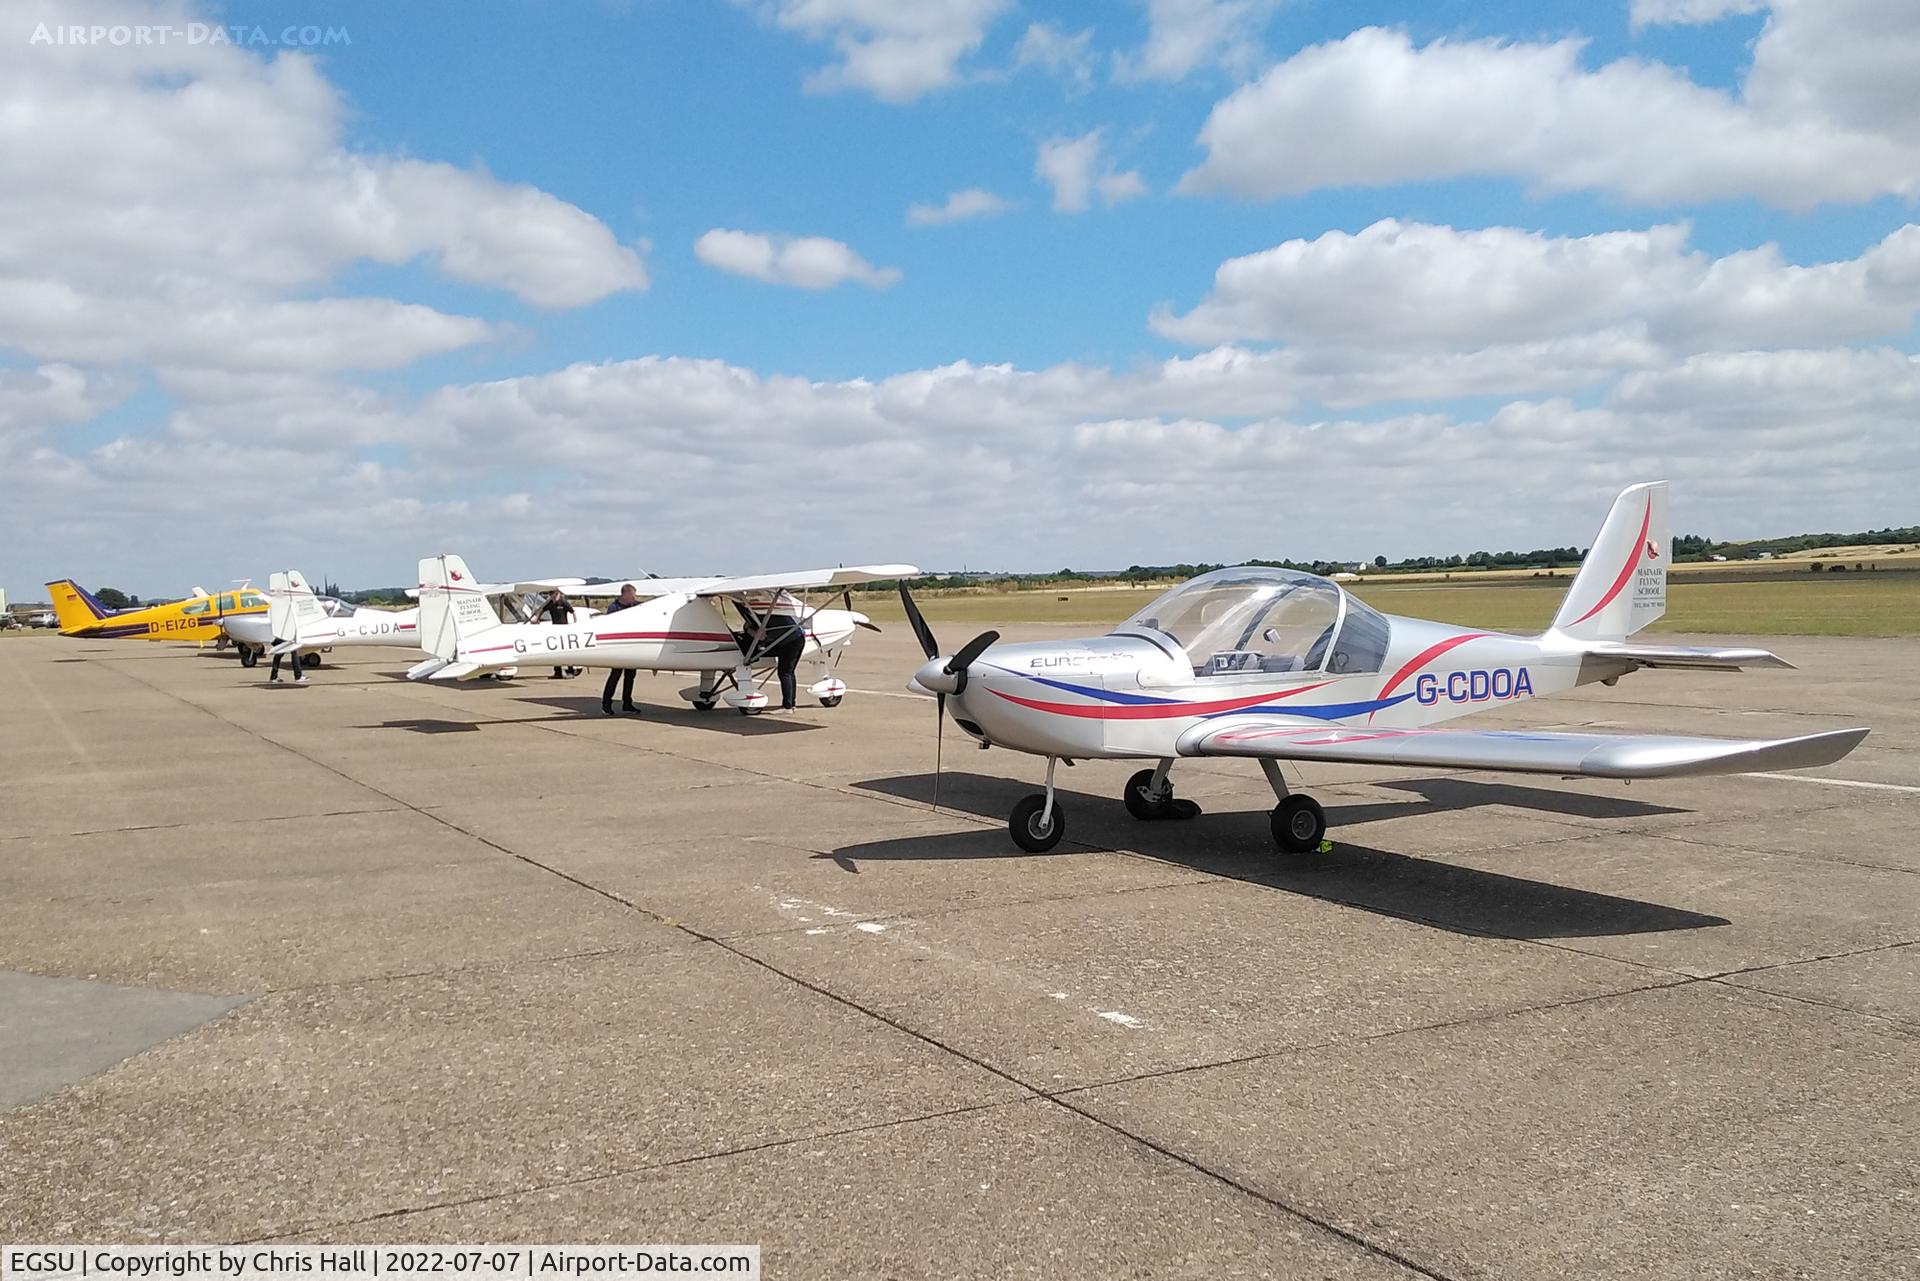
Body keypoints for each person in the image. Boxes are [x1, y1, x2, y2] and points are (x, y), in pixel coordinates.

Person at [600, 583, 640, 715]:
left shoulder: (636, 606)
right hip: (618, 647)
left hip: (632, 647)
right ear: (626, 594)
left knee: (630, 676)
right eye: (633, 595)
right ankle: (606, 704)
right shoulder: (614, 607)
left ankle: (627, 703)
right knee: (615, 675)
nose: (635, 598)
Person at [542, 589, 574, 679]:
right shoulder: (550, 603)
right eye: (551, 594)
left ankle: (571, 671)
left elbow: (573, 611)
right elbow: (543, 610)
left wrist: (575, 624)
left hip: (564, 630)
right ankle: (557, 672)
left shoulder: (563, 602)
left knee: (567, 652)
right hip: (555, 630)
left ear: (558, 594)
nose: (553, 596)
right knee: (556, 652)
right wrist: (537, 618)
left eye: (555, 594)